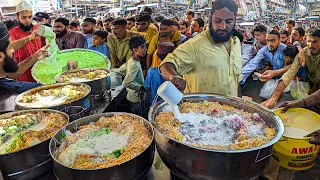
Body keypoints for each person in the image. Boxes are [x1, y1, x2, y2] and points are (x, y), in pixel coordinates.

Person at [160, 0, 242, 97]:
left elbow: (236, 81)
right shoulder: (194, 45)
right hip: (199, 110)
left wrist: (239, 102)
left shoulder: (236, 43)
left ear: (235, 20)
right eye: (218, 21)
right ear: (210, 18)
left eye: (228, 21)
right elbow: (166, 65)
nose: (222, 26)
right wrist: (174, 77)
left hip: (231, 111)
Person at [262, 27, 320, 109]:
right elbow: (289, 73)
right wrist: (273, 98)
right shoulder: (303, 53)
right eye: (308, 41)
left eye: (314, 42)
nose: (310, 45)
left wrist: (298, 103)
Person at [0, 23, 49, 93]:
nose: (13, 50)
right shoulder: (27, 89)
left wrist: (34, 57)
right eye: (10, 47)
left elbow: (9, 75)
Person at [9, 0, 45, 82]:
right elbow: (11, 47)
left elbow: (46, 43)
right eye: (24, 17)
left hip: (41, 68)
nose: (28, 20)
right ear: (17, 17)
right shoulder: (12, 33)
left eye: (30, 17)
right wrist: (29, 38)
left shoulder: (38, 28)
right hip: (24, 71)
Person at [119, 36, 146, 116]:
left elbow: (121, 69)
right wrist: (140, 88)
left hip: (131, 94)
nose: (145, 49)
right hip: (136, 97)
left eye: (145, 46)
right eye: (142, 47)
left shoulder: (131, 60)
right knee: (138, 116)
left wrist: (129, 75)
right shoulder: (134, 65)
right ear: (135, 50)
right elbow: (126, 83)